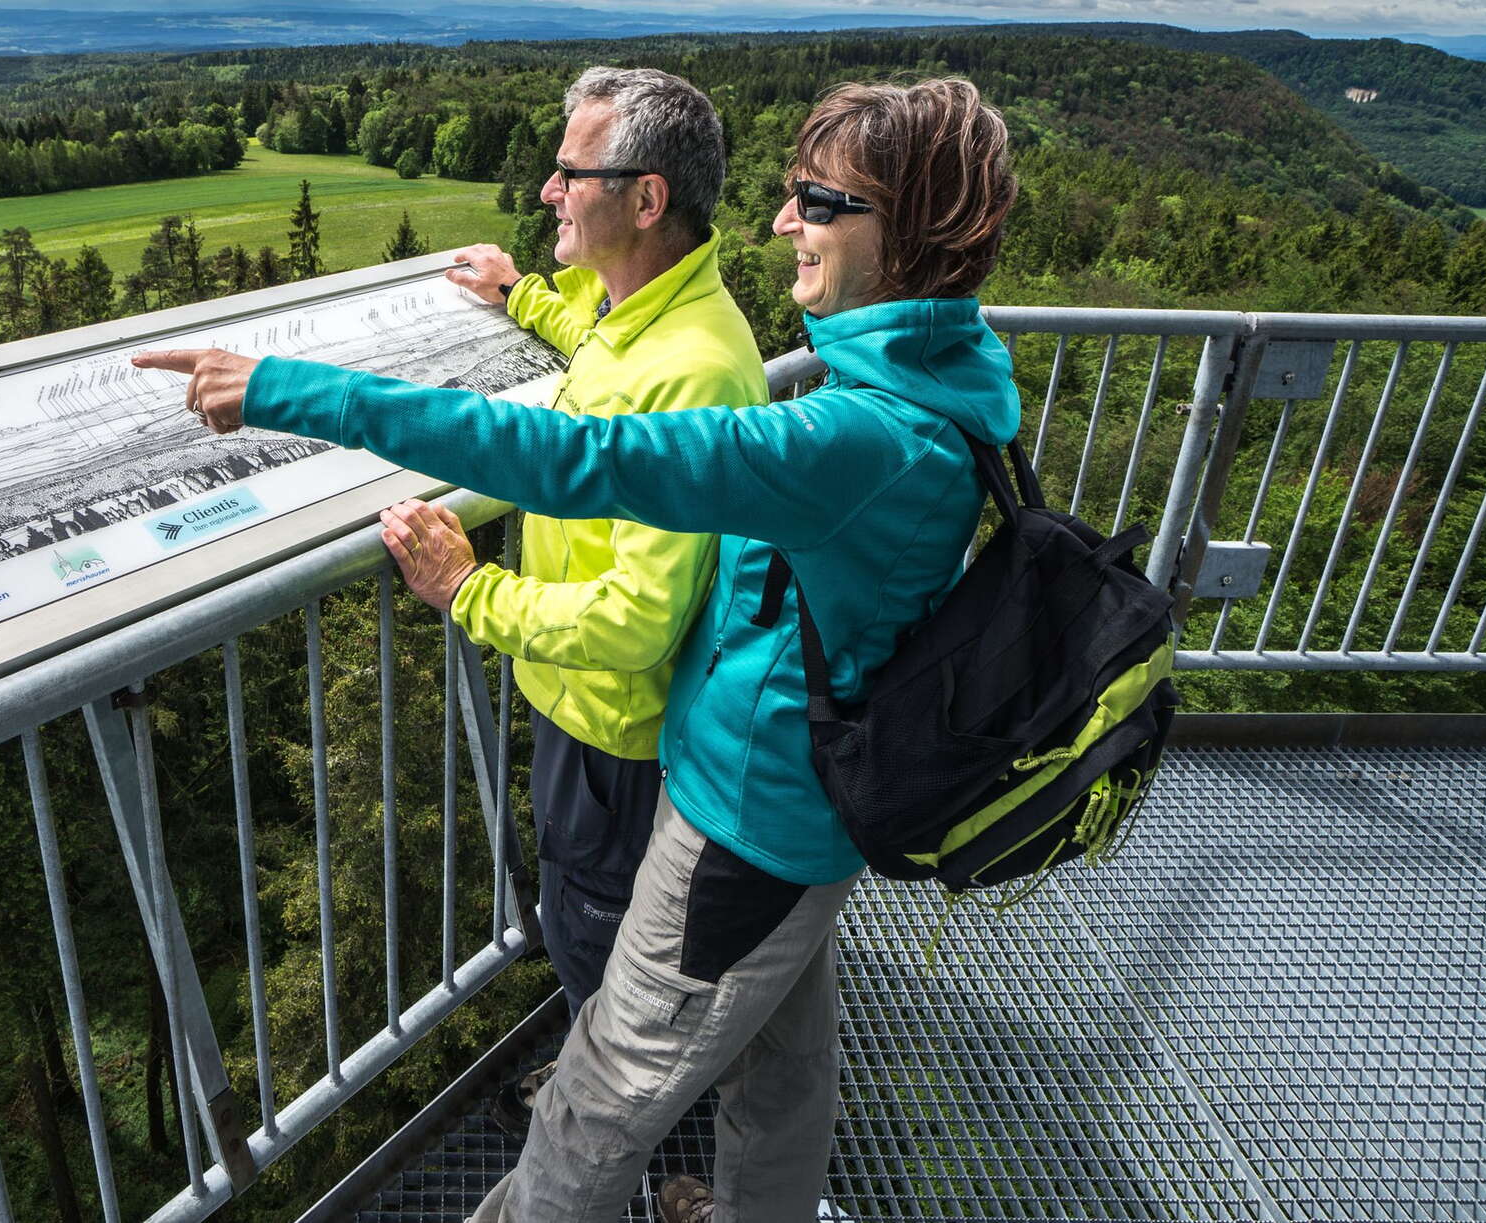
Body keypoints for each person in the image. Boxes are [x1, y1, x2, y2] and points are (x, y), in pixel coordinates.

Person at [138, 77, 1020, 1223]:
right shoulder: (937, 375)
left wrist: (285, 390)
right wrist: (535, 299)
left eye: (815, 200)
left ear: (901, 232)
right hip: (815, 802)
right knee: (785, 1071)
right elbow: (623, 369)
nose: (780, 223)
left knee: (595, 1105)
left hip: (746, 817)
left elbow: (574, 457)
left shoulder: (856, 435)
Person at [431, 67, 768, 1134]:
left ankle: (632, 1139)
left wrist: (470, 589)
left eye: (571, 173)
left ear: (646, 199)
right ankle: (609, 1085)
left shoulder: (695, 371)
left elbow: (631, 626)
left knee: (600, 941)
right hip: (584, 716)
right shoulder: (651, 319)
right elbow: (601, 352)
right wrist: (516, 295)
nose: (546, 191)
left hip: (614, 738)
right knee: (589, 928)